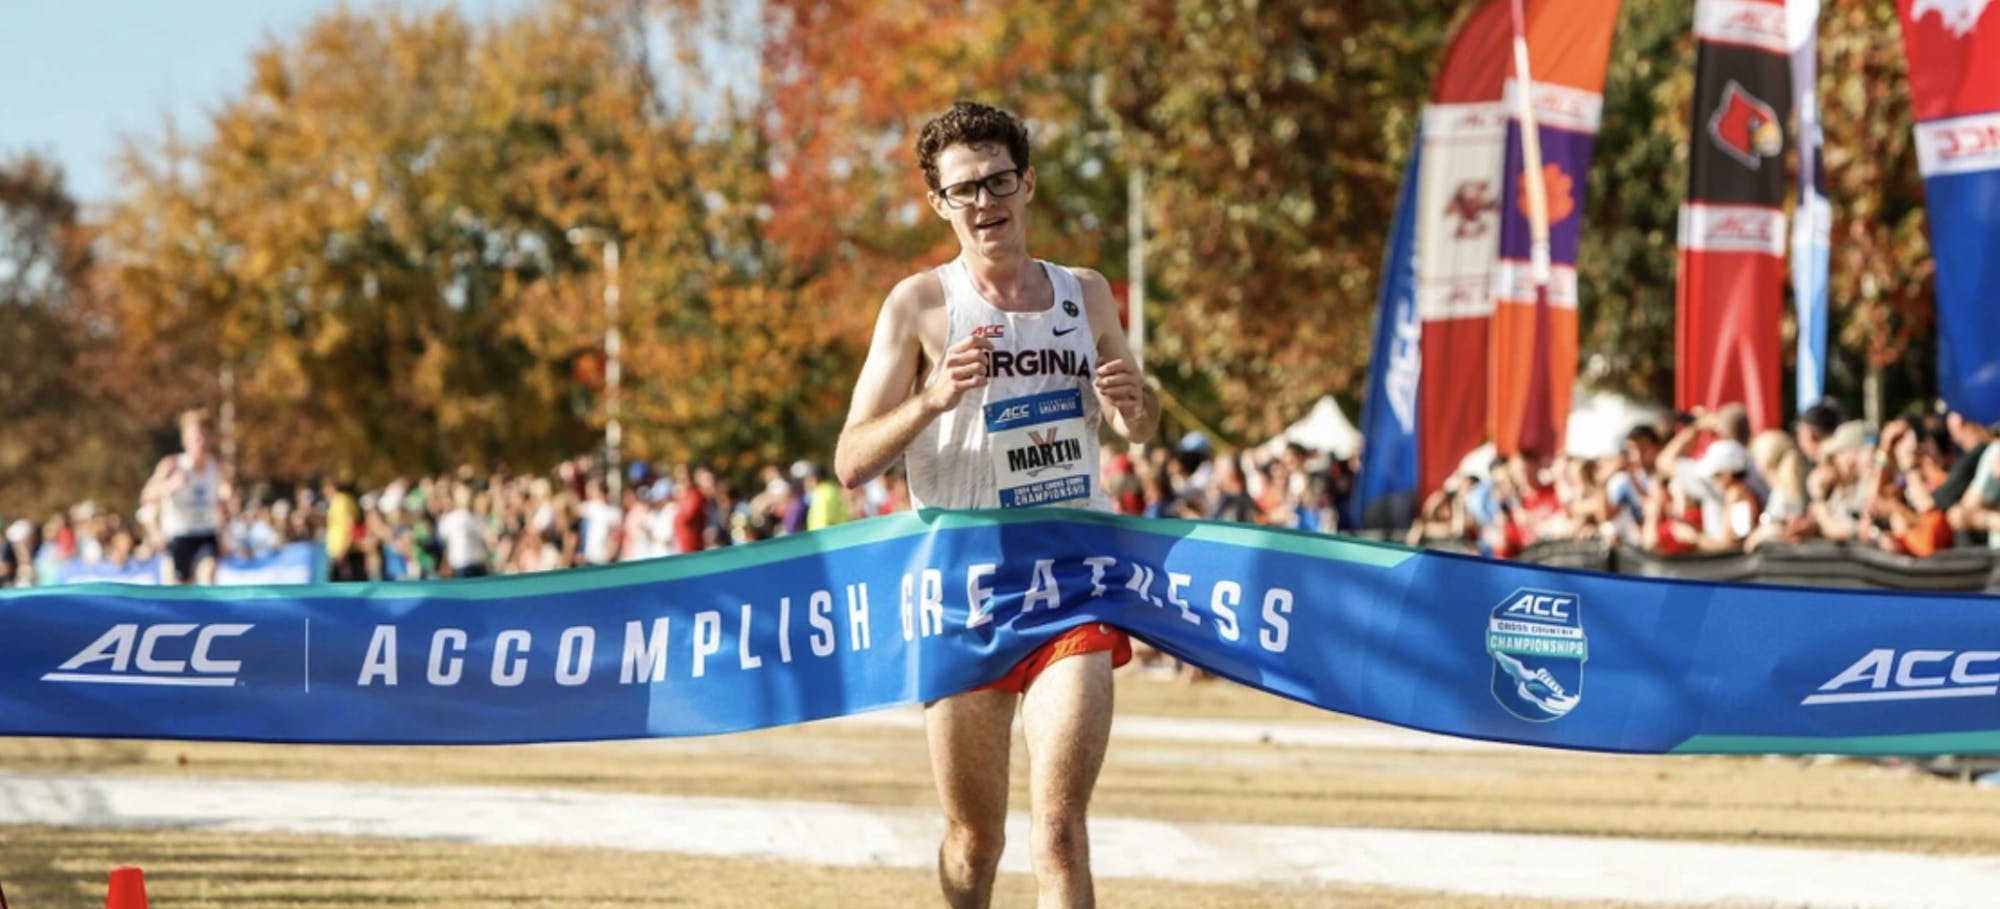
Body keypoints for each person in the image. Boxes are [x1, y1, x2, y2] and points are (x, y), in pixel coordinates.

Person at [833, 100, 1159, 909]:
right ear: (941, 203)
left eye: (998, 180)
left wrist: (1134, 403)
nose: (985, 201)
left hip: (1068, 584)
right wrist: (932, 398)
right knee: (975, 843)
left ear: (1028, 183)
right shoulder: (918, 304)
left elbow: (1136, 425)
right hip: (962, 588)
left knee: (1059, 830)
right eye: (965, 189)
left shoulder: (1086, 294)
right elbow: (849, 461)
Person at [140, 408, 232, 585]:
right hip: (178, 536)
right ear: (185, 440)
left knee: (208, 576)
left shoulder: (217, 466)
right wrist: (170, 485)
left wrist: (226, 501)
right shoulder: (172, 464)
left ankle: (208, 612)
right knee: (178, 590)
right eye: (196, 437)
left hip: (206, 533)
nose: (200, 441)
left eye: (204, 436)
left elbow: (225, 501)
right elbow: (146, 495)